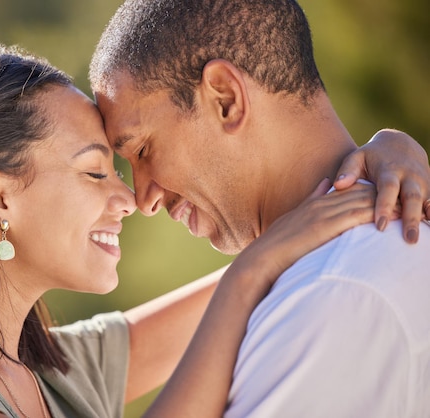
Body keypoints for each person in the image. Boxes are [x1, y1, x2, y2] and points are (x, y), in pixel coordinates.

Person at [0, 45, 425, 418]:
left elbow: (297, 249)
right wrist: (248, 275)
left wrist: (372, 161)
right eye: (93, 171)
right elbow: (257, 274)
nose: (130, 198)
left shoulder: (57, 371)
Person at [89, 0, 430, 416]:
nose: (143, 201)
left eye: (143, 149)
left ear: (226, 99)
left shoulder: (331, 296)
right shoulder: (337, 273)